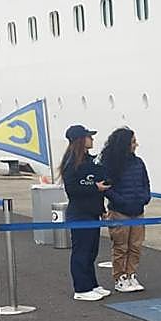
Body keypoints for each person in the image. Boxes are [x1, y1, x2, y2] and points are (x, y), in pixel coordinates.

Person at [61, 125, 110, 301]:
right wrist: (94, 187)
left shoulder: (89, 160)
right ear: (81, 139)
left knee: (91, 251)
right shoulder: (71, 161)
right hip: (79, 213)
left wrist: (102, 208)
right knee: (81, 251)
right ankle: (81, 288)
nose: (92, 139)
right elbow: (72, 188)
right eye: (89, 136)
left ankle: (92, 284)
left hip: (92, 212)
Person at [99, 127, 151, 293]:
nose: (136, 145)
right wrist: (120, 201)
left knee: (136, 245)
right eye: (133, 142)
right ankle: (120, 276)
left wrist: (145, 198)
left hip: (138, 209)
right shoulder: (110, 163)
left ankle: (131, 274)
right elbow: (106, 187)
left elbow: (145, 182)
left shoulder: (138, 162)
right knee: (120, 246)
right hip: (119, 211)